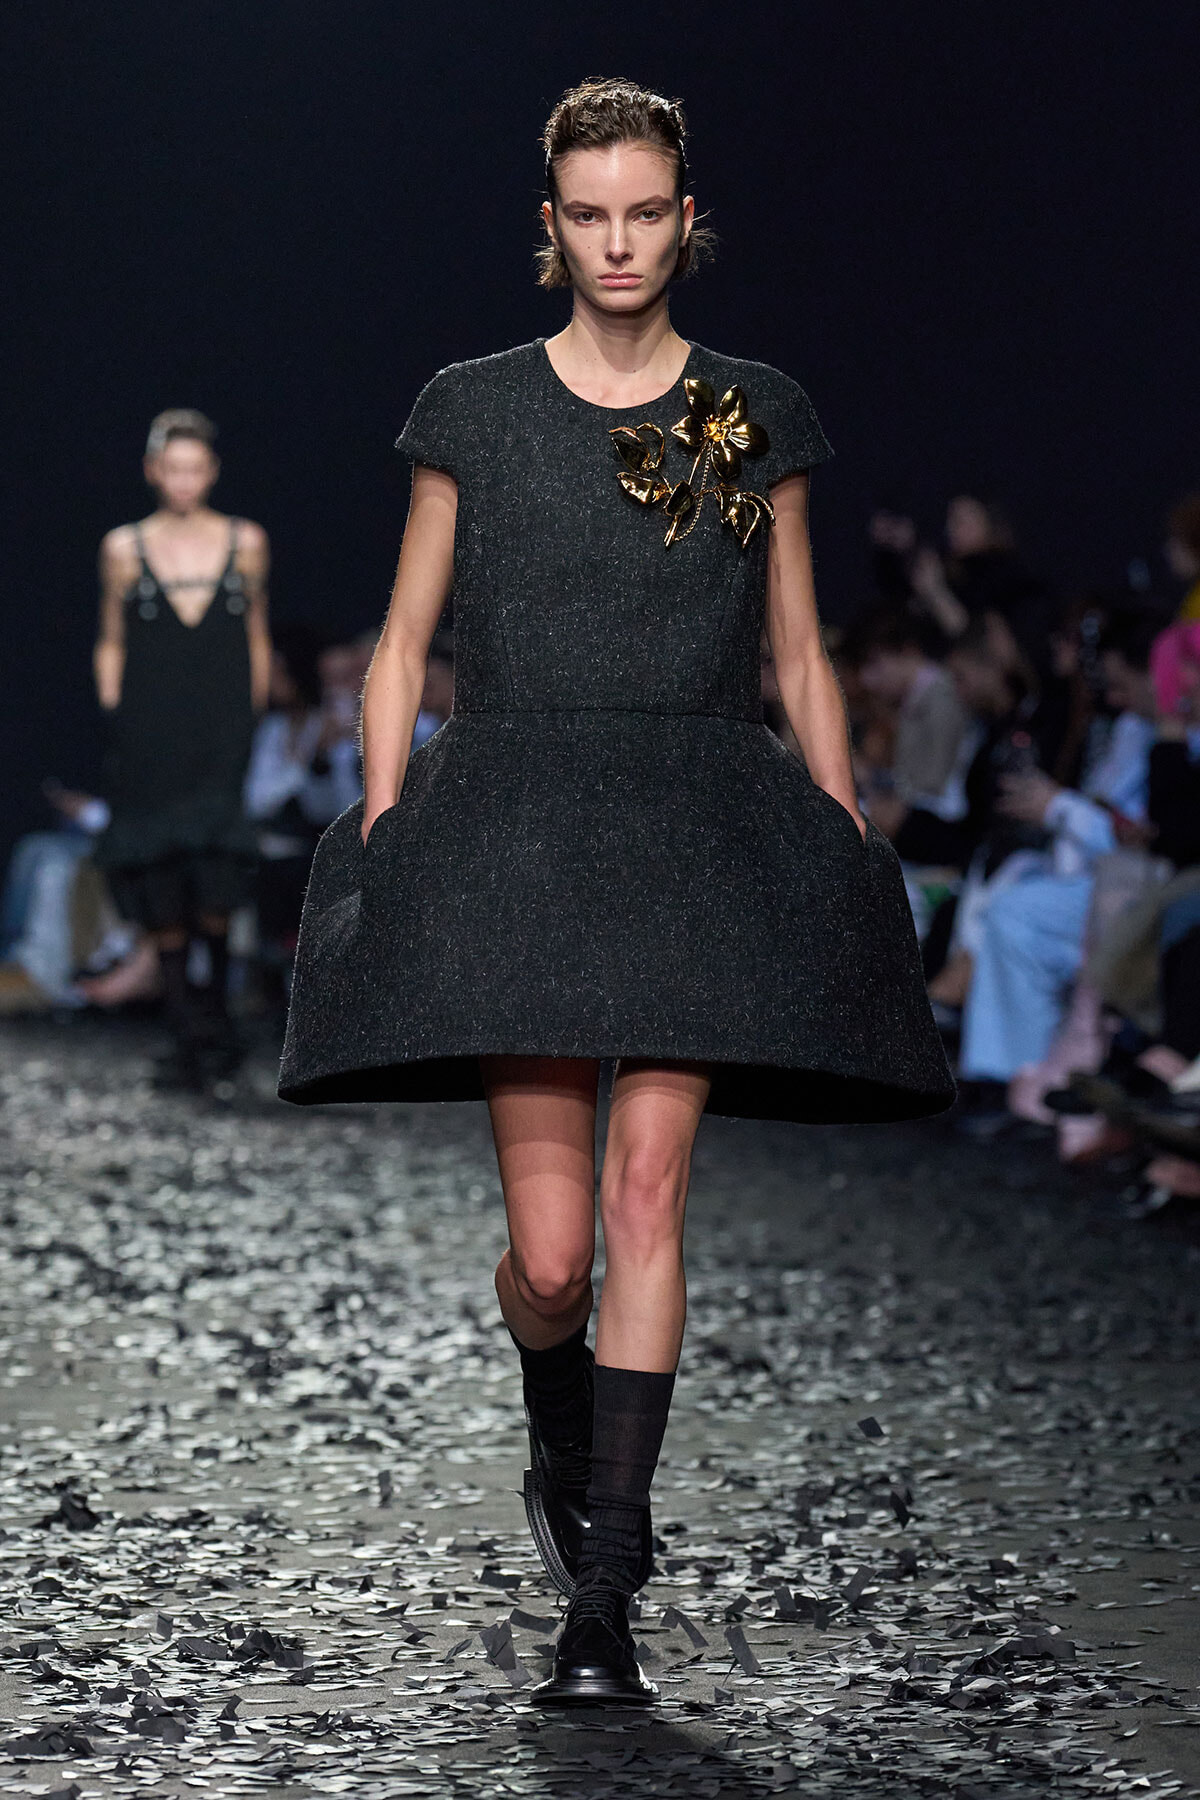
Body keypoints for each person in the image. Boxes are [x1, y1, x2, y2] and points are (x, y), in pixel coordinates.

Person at [278, 77, 955, 1707]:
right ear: (551, 225)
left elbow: (798, 649)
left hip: (699, 832)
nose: (620, 240)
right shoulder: (473, 408)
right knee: (558, 1258)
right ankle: (555, 1414)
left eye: (646, 209)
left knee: (652, 1202)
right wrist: (385, 817)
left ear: (684, 215)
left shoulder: (749, 414)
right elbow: (404, 640)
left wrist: (841, 839)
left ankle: (608, 1595)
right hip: (513, 826)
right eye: (591, 212)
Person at [93, 409, 271, 1088]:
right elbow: (110, 636)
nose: (185, 481)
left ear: (213, 472)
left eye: (196, 469)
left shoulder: (245, 542)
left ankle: (217, 1023)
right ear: (153, 473)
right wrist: (114, 707)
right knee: (161, 873)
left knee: (217, 877)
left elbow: (256, 636)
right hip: (149, 730)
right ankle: (182, 1026)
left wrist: (249, 718)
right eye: (173, 469)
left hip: (220, 728)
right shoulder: (123, 548)